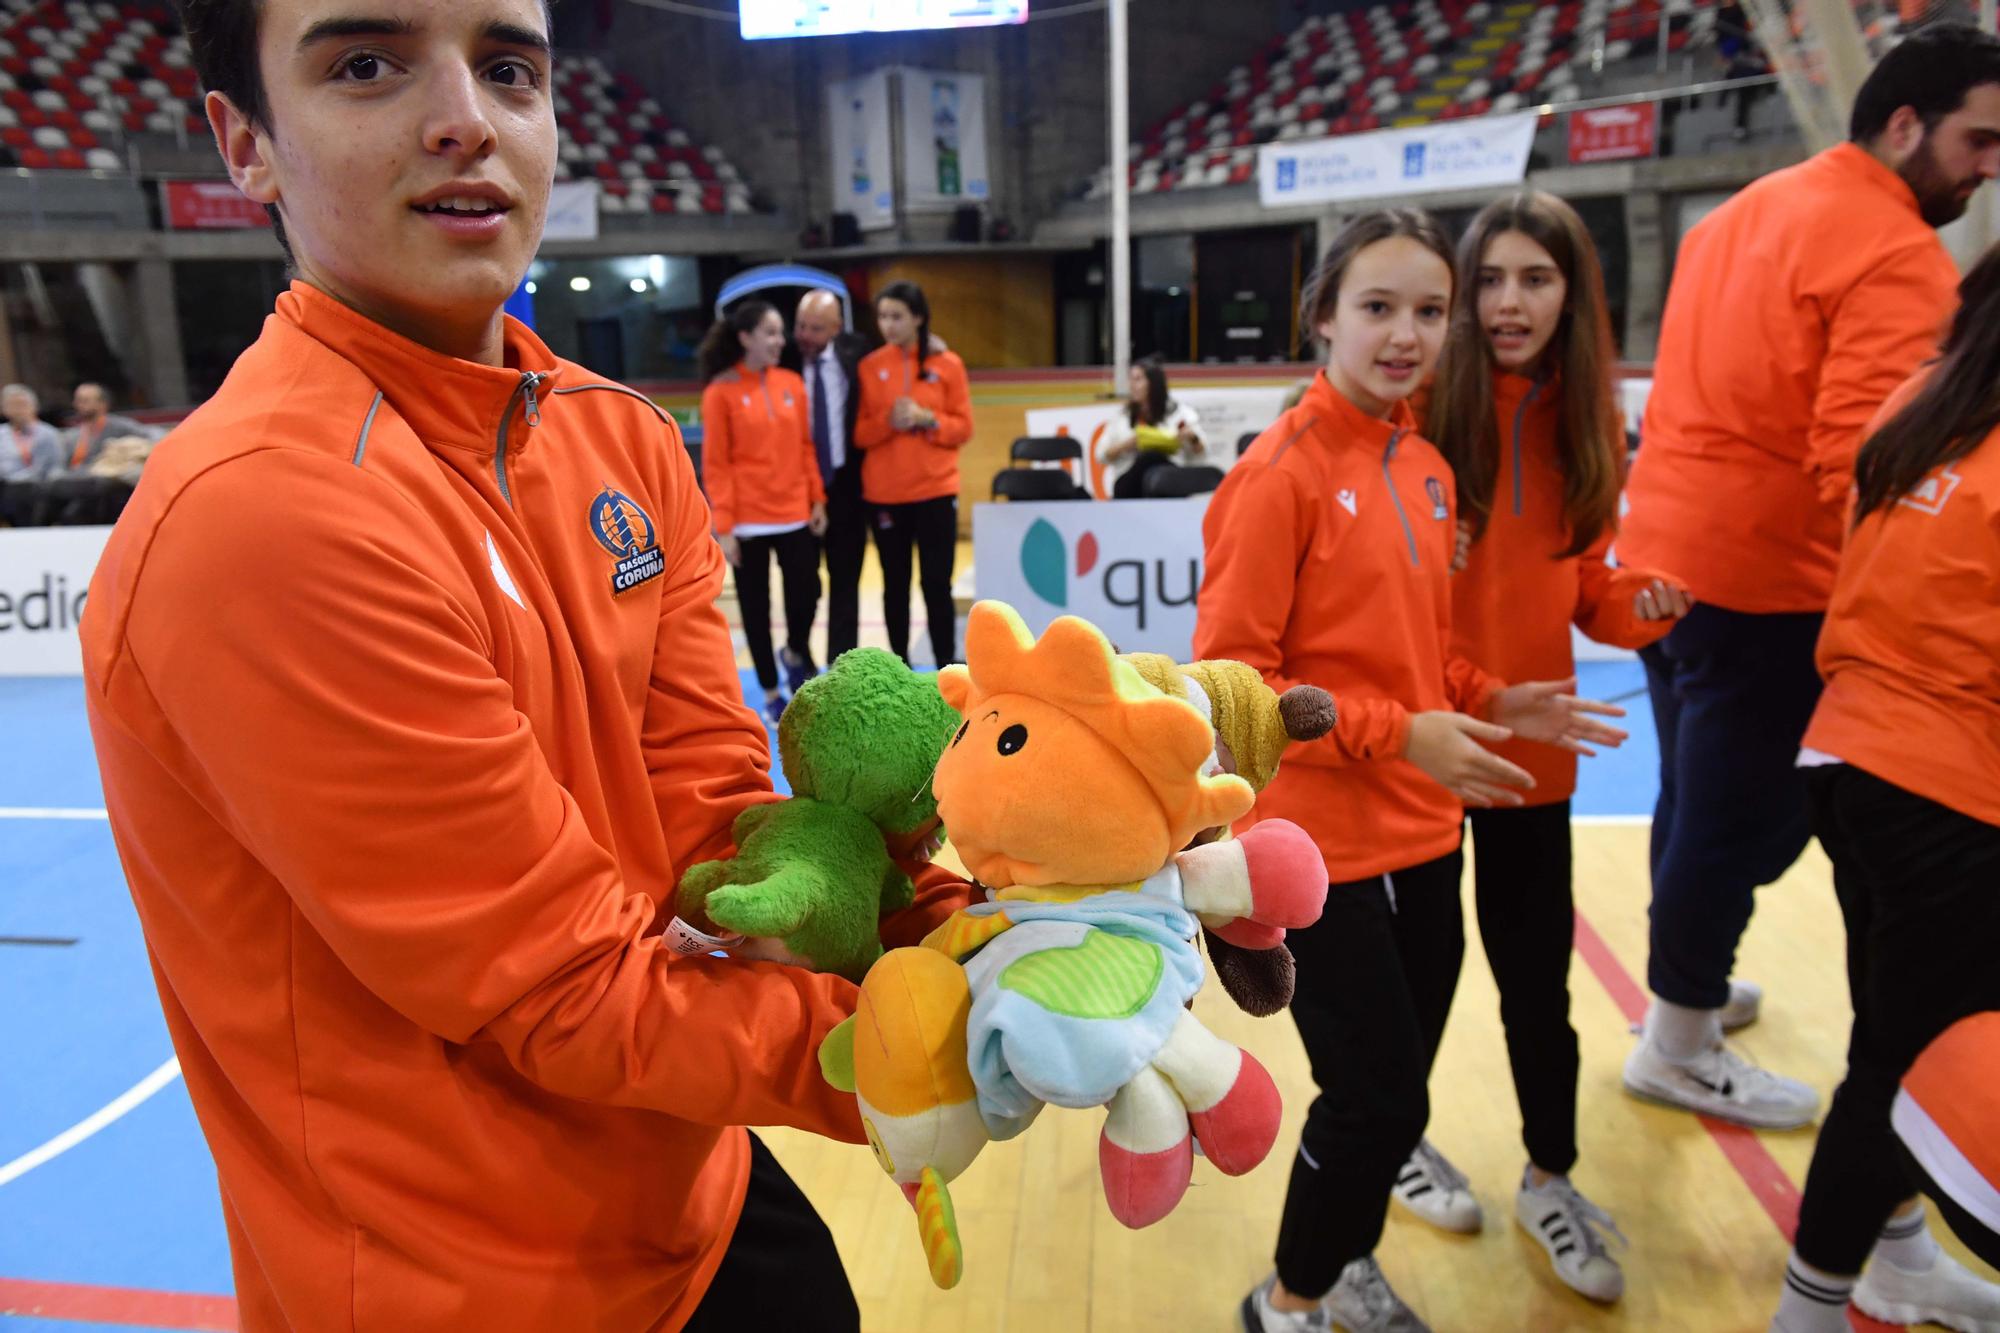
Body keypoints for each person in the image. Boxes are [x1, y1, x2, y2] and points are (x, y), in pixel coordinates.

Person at [84, 3, 968, 1328]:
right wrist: (932, 1047)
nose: (467, 119)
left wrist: (960, 930)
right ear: (244, 142)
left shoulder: (615, 437)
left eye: (508, 68)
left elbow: (711, 812)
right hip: (463, 1282)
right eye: (366, 65)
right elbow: (550, 983)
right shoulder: (261, 512)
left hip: (683, 1173)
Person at [1196, 209, 1627, 1333]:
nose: (1405, 334)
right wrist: (1399, 732)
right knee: (1375, 1095)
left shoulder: (1427, 464)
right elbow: (1235, 681)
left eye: (1427, 311)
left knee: (1389, 1102)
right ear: (1322, 314)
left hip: (1423, 840)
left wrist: (1488, 697)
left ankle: (1341, 1264)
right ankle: (1287, 1298)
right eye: (1377, 307)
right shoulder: (1277, 475)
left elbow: (1415, 643)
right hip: (1315, 858)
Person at [1617, 22, 2000, 1127]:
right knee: (1742, 823)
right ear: (1901, 123)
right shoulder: (1889, 253)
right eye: (1977, 141)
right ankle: (1676, 1036)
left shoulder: (1744, 208)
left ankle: (1679, 987)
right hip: (1768, 585)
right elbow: (1868, 468)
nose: (1987, 168)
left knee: (1692, 803)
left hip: (1665, 563)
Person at [1422, 189, 1691, 1304]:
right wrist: (1480, 697)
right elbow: (1391, 616)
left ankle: (1550, 1174)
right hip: (1430, 755)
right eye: (1488, 279)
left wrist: (1648, 602)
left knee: (1538, 989)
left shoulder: (1582, 421)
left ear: (1572, 294)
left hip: (1536, 765)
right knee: (1414, 990)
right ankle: (1392, 1138)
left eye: (1534, 279)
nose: (1506, 303)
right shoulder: (1423, 422)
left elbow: (1584, 585)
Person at [1768, 247, 2000, 1333]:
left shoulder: (1925, 398)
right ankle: (1808, 1311)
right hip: (1943, 788)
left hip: (1851, 760)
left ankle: (1895, 1259)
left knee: (1893, 1038)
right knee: (1896, 1064)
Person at [699, 299, 828, 725]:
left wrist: (816, 499)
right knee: (755, 607)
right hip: (749, 519)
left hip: (794, 511)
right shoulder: (720, 393)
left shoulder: (792, 382)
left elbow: (807, 447)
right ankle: (772, 690)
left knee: (807, 591)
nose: (780, 341)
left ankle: (794, 650)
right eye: (770, 333)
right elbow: (716, 465)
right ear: (745, 338)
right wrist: (726, 527)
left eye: (780, 333)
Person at [853, 279, 971, 668]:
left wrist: (928, 419)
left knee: (937, 584)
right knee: (895, 586)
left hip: (936, 491)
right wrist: (890, 422)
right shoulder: (870, 367)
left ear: (918, 318)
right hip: (885, 496)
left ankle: (946, 670)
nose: (888, 324)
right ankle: (900, 667)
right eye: (883, 316)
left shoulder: (948, 365)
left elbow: (963, 428)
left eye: (897, 316)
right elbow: (860, 433)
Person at [786, 289, 872, 662]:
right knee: (802, 582)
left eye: (816, 328)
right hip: (796, 487)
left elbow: (904, 349)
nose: (804, 334)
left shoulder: (858, 353)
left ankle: (843, 667)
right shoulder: (783, 357)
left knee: (846, 580)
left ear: (837, 329)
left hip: (847, 486)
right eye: (801, 325)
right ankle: (797, 653)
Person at [1103, 354, 1207, 499]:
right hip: (1129, 482)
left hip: (1170, 479)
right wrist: (1127, 445)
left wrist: (1191, 437)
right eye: (1131, 379)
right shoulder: (1122, 416)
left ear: (1153, 383)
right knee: (1149, 458)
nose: (1132, 385)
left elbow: (1201, 453)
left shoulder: (1180, 413)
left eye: (1138, 379)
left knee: (1156, 461)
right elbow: (1102, 455)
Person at [60, 382, 154, 472]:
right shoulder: (72, 435)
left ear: (102, 404)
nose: (78, 404)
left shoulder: (119, 426)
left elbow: (152, 435)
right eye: (77, 400)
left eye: (85, 400)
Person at [1, 383, 61, 482]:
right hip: (6, 489)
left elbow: (55, 467)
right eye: (13, 405)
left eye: (22, 404)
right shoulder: (1, 434)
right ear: (4, 409)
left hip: (41, 488)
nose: (18, 410)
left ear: (34, 406)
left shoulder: (48, 433)